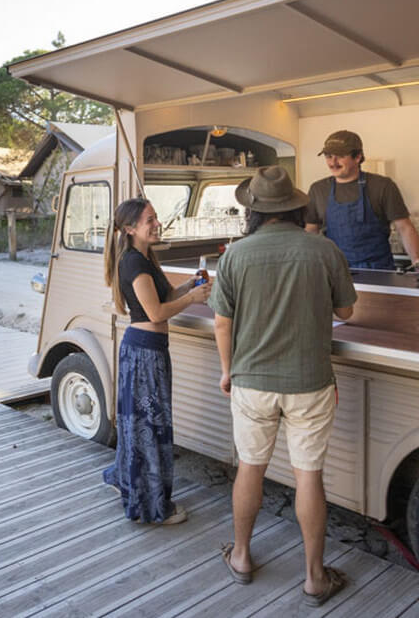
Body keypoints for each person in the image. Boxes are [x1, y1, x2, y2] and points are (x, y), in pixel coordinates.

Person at [210, 166, 357, 606]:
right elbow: (347, 312)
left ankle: (240, 557)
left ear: (253, 211)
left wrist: (227, 370)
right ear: (295, 207)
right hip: (310, 381)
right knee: (308, 476)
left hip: (252, 381)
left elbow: (222, 321)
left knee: (250, 468)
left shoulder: (235, 255)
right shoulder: (323, 249)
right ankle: (315, 578)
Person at [101, 197, 212, 524]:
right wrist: (193, 299)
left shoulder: (143, 258)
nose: (157, 223)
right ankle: (151, 507)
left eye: (156, 217)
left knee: (140, 426)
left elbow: (162, 298)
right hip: (145, 353)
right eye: (150, 219)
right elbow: (156, 312)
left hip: (147, 350)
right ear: (130, 228)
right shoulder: (134, 263)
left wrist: (189, 285)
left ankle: (129, 481)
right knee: (150, 429)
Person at [304, 130, 419, 273]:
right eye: (328, 156)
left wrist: (417, 259)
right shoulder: (318, 189)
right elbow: (311, 231)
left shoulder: (382, 186)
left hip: (378, 272)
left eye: (340, 156)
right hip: (336, 271)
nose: (333, 162)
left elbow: (404, 227)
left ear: (357, 157)